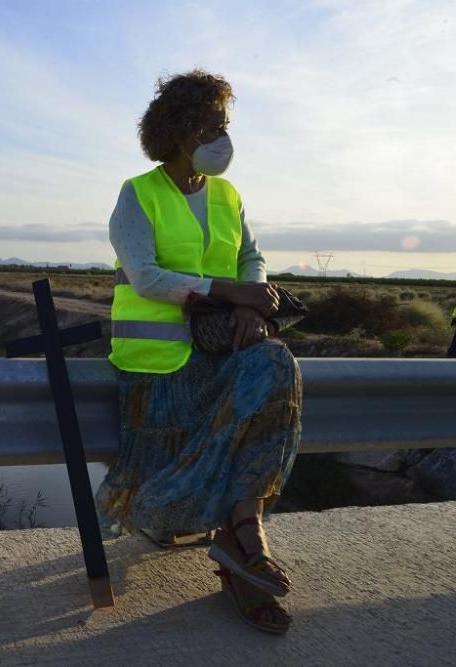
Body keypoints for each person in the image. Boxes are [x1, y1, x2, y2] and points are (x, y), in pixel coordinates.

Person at [96, 70, 301, 634]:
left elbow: (251, 259)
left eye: (225, 126)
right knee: (237, 424)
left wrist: (249, 304)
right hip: (161, 370)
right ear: (182, 130)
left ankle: (243, 531)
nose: (224, 138)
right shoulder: (137, 194)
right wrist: (229, 292)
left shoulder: (229, 195)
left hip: (222, 350)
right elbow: (145, 276)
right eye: (214, 126)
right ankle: (244, 552)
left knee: (276, 364)